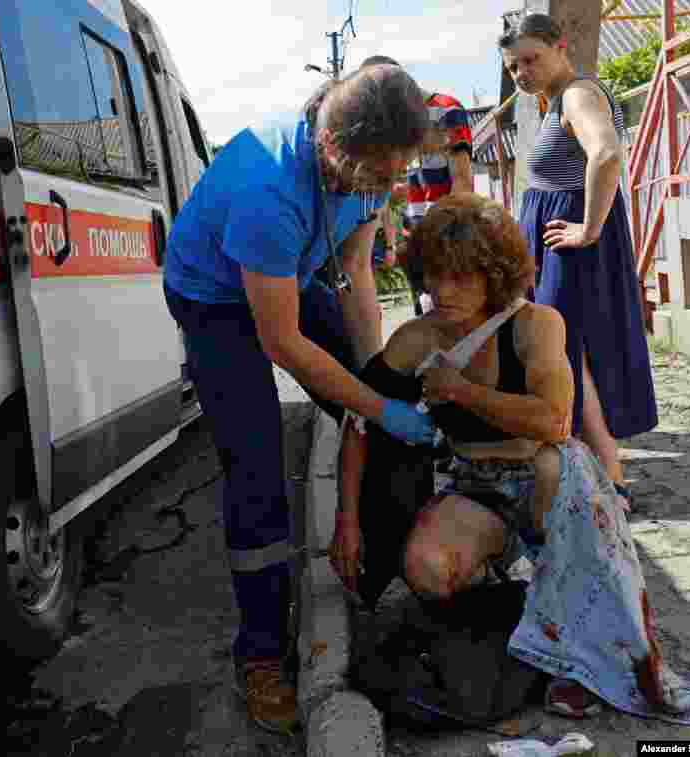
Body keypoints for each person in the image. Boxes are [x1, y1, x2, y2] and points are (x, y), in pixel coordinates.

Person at [328, 193, 690, 726]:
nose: (443, 291)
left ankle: (574, 652)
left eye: (461, 276)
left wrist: (460, 390)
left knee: (554, 468)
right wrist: (347, 522)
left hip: (549, 482)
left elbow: (554, 423)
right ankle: (528, 613)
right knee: (427, 571)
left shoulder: (536, 324)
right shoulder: (416, 339)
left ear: (494, 275)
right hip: (476, 483)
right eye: (434, 275)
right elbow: (359, 419)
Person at [162, 64, 434, 733]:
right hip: (213, 298)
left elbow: (357, 271)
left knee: (373, 397)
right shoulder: (269, 189)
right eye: (376, 176)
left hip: (289, 273)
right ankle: (259, 653)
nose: (385, 187)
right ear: (334, 150)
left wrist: (373, 379)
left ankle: (383, 562)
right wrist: (374, 406)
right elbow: (281, 342)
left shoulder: (367, 168)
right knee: (256, 466)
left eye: (394, 175)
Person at [499, 13, 658, 510]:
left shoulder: (577, 95)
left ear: (560, 46)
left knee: (567, 354)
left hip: (572, 244)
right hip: (556, 243)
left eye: (531, 60)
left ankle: (611, 478)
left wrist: (587, 228)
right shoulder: (553, 100)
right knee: (569, 354)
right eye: (513, 67)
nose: (522, 73)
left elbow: (606, 153)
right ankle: (598, 471)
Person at [359, 55, 475, 317]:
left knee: (456, 321)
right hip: (414, 239)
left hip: (448, 236)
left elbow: (463, 181)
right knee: (426, 322)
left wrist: (442, 235)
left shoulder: (446, 109)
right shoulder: (395, 123)